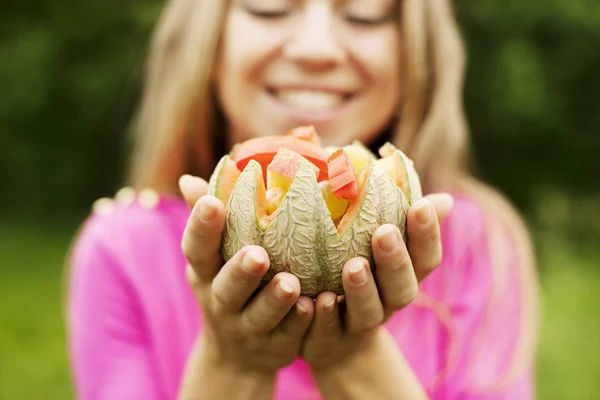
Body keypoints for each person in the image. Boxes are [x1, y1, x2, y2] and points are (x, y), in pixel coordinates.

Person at [65, 0, 539, 399]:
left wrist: (352, 359)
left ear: (418, 53)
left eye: (364, 14)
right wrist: (235, 364)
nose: (316, 49)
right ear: (205, 41)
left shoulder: (478, 240)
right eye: (268, 7)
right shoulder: (119, 247)